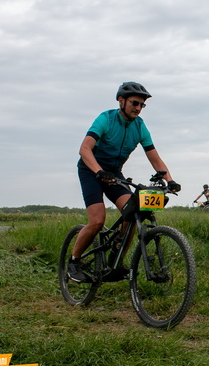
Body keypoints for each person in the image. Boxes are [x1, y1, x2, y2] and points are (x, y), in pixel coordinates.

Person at [68, 82, 181, 283]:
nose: (138, 108)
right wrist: (99, 171)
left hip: (114, 174)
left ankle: (115, 261)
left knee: (132, 212)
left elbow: (155, 158)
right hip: (90, 170)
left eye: (142, 105)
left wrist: (169, 180)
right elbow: (84, 149)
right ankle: (74, 262)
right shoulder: (106, 119)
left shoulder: (139, 126)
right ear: (121, 101)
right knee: (97, 221)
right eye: (134, 103)